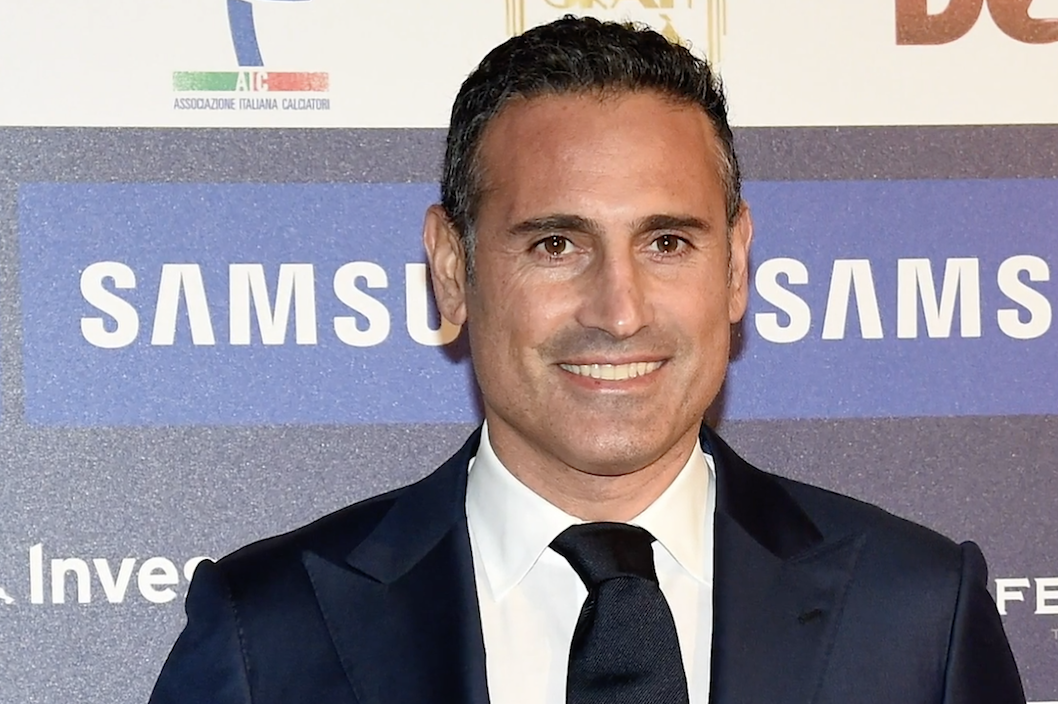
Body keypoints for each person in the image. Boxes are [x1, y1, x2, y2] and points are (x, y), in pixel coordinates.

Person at [149, 16, 1025, 704]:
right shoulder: (268, 630)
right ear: (452, 271)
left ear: (735, 267)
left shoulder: (917, 614)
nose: (619, 311)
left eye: (668, 242)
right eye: (556, 244)